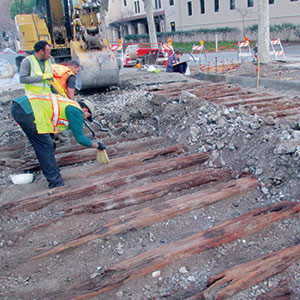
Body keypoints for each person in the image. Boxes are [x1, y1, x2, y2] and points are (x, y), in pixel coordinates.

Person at [11, 93, 106, 189]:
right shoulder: (76, 110)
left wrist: (53, 138)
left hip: (22, 108)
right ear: (85, 110)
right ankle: (55, 183)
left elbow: (51, 121)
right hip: (26, 110)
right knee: (45, 146)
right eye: (87, 117)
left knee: (49, 144)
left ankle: (53, 173)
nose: (85, 119)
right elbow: (80, 138)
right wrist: (97, 146)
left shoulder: (68, 105)